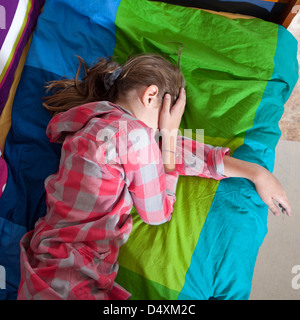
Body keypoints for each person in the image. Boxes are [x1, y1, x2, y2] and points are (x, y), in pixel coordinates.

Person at [17, 53, 291, 300]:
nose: (165, 129)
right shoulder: (135, 136)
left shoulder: (87, 121)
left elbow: (170, 151)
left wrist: (256, 172)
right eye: (168, 117)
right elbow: (157, 213)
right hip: (72, 272)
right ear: (151, 96)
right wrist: (169, 137)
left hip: (49, 259)